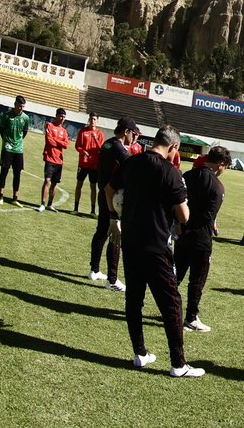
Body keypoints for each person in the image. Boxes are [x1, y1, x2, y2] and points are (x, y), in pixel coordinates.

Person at [107, 125, 203, 378]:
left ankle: (140, 354)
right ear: (173, 147)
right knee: (171, 303)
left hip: (131, 241)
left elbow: (109, 190)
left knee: (134, 299)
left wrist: (113, 217)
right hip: (156, 246)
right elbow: (184, 215)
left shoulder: (130, 162)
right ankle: (178, 364)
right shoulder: (170, 172)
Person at [175, 145, 232, 333]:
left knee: (176, 276)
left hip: (182, 234)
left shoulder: (187, 177)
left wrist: (181, 224)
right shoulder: (217, 186)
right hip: (201, 239)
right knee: (197, 281)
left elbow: (175, 202)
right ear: (221, 164)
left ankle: (169, 310)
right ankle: (191, 317)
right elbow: (208, 216)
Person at [89, 116, 138, 292]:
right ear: (126, 132)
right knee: (115, 236)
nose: (134, 137)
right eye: (134, 134)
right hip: (114, 198)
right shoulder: (119, 148)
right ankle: (112, 279)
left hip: (104, 194)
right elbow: (133, 166)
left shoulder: (107, 144)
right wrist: (131, 147)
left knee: (101, 231)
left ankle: (94, 269)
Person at [0, 95, 30, 205]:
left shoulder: (25, 118)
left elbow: (24, 133)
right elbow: (2, 130)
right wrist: (7, 142)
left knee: (17, 174)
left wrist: (17, 142)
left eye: (23, 106)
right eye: (20, 106)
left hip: (18, 149)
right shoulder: (6, 115)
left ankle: (15, 198)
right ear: (15, 104)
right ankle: (1, 196)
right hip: (7, 148)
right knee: (4, 171)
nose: (21, 108)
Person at [39, 108, 69, 213]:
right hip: (50, 158)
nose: (62, 119)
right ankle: (42, 203)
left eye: (64, 117)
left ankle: (50, 204)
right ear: (56, 116)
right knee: (47, 181)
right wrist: (59, 141)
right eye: (60, 116)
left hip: (59, 160)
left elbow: (66, 145)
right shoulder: (49, 126)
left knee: (55, 183)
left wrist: (56, 140)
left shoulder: (64, 131)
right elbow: (49, 141)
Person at [74, 113, 105, 214]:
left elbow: (102, 149)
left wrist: (96, 140)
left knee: (93, 187)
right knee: (79, 185)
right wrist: (83, 151)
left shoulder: (100, 134)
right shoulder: (83, 132)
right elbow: (77, 146)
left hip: (94, 165)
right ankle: (75, 208)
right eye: (91, 119)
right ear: (89, 120)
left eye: (94, 119)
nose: (92, 121)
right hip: (83, 164)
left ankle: (92, 211)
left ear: (97, 121)